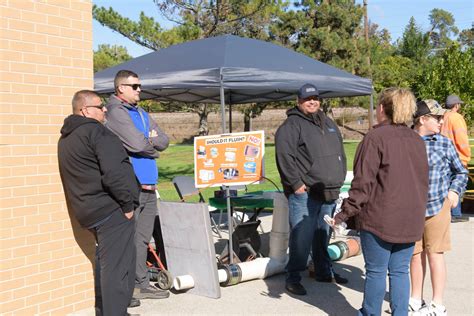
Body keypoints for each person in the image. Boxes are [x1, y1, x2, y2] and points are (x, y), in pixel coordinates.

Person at [331, 87, 429, 316]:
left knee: (376, 271)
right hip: (411, 218)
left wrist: (343, 214)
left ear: (382, 108)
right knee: (399, 271)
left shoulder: (375, 138)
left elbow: (362, 183)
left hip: (381, 218)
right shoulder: (417, 140)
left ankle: (370, 313)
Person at [58, 90, 140, 316]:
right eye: (99, 106)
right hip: (111, 211)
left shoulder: (66, 137)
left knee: (109, 265)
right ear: (85, 110)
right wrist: (127, 205)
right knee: (117, 269)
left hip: (88, 212)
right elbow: (114, 174)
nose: (105, 109)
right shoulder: (98, 133)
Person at [275, 83, 348, 296]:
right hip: (304, 195)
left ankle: (323, 271)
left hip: (328, 191)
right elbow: (284, 157)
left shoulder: (328, 122)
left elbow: (340, 152)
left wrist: (340, 176)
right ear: (299, 101)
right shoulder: (291, 125)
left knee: (322, 234)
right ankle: (293, 277)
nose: (312, 101)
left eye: (315, 98)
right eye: (308, 99)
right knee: (302, 237)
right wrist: (296, 185)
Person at [105, 70, 170, 300]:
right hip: (131, 185)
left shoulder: (141, 112)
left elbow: (164, 140)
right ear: (121, 88)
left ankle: (141, 283)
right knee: (129, 240)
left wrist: (148, 141)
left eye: (140, 85)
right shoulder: (115, 112)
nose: (139, 89)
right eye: (135, 86)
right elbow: (136, 143)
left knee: (142, 239)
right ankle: (128, 285)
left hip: (150, 185)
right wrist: (148, 142)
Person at [409, 100, 468, 316]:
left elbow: (460, 172)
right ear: (422, 119)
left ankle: (437, 304)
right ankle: (415, 299)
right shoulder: (405, 141)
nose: (442, 121)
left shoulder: (444, 143)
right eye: (437, 117)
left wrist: (454, 192)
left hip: (437, 207)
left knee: (435, 254)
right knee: (415, 255)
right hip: (410, 210)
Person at [440, 94, 471, 222]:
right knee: (457, 185)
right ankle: (456, 214)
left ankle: (447, 213)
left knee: (447, 185)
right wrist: (466, 156)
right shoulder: (456, 118)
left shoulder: (443, 117)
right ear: (456, 105)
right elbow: (461, 138)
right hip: (457, 156)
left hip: (444, 156)